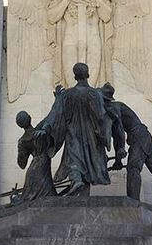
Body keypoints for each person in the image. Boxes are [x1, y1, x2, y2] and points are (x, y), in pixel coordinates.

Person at [39, 63, 111, 195]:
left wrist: (46, 127)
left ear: (75, 76)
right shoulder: (95, 94)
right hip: (91, 137)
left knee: (74, 159)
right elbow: (101, 116)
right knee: (87, 163)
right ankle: (78, 183)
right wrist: (103, 136)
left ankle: (76, 180)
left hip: (73, 134)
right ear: (87, 74)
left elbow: (56, 112)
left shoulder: (67, 94)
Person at [101, 83, 152, 208]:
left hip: (138, 136)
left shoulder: (113, 107)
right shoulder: (115, 107)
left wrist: (121, 149)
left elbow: (119, 129)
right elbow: (116, 137)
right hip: (143, 135)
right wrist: (118, 159)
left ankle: (133, 201)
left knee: (133, 168)